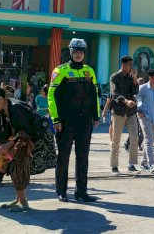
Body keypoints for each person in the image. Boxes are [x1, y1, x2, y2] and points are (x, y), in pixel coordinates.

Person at [48, 38, 101, 202]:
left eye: (81, 51)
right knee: (63, 156)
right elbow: (51, 95)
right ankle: (61, 191)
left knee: (83, 156)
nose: (78, 54)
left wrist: (96, 115)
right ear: (70, 52)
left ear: (84, 53)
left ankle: (81, 192)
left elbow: (95, 94)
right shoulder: (60, 70)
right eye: (75, 51)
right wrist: (55, 119)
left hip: (85, 121)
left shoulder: (89, 71)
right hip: (65, 121)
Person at [0, 86, 45, 212]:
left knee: (18, 168)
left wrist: (8, 145)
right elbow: (7, 130)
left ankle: (23, 202)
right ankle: (18, 199)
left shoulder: (16, 108)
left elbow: (25, 131)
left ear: (0, 99)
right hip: (19, 140)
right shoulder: (3, 109)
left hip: (32, 139)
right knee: (10, 167)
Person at [109, 55, 141, 175]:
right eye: (129, 65)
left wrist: (135, 79)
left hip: (131, 111)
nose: (131, 67)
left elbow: (135, 92)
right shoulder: (114, 77)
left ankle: (132, 164)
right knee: (116, 139)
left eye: (132, 65)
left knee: (134, 137)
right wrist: (126, 101)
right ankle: (114, 166)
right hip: (118, 111)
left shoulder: (130, 77)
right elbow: (114, 93)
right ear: (123, 65)